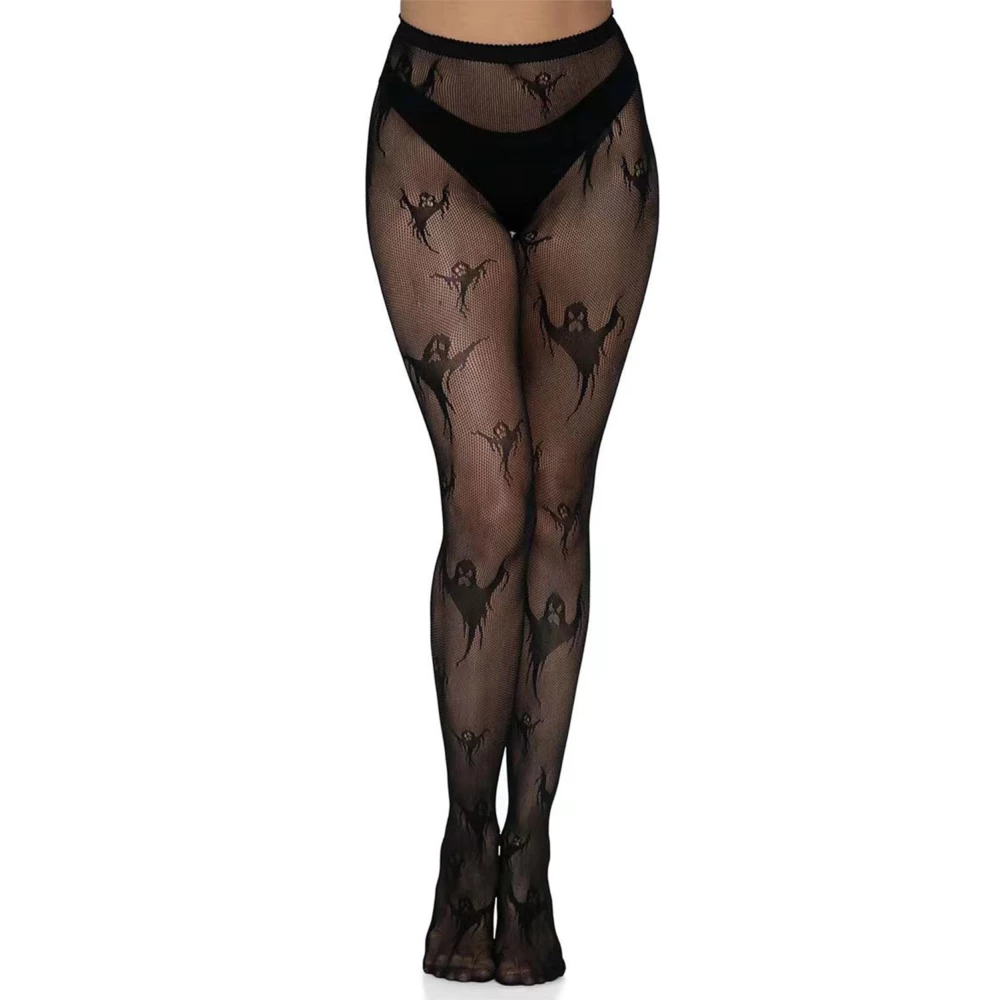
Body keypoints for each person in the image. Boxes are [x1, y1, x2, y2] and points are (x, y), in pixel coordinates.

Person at [364, 0, 658, 985]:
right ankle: (466, 842)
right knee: (487, 503)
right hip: (431, 122)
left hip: (595, 122)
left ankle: (527, 860)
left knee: (559, 503)